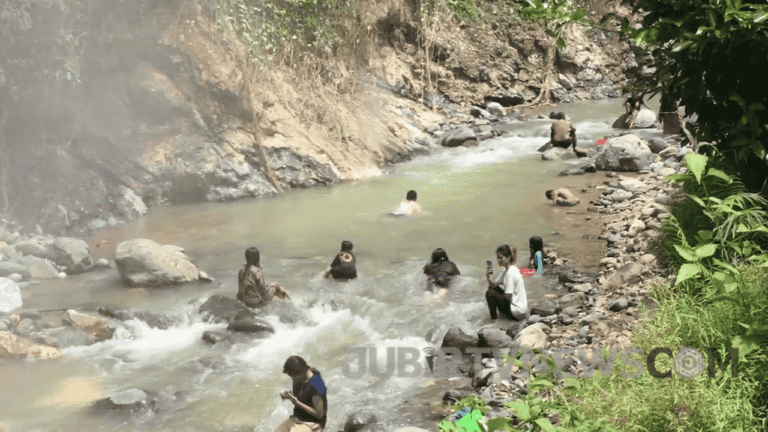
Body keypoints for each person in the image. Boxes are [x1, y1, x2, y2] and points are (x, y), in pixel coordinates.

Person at [276, 356, 327, 432]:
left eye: (293, 377)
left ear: (300, 372)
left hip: (312, 423)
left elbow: (319, 415)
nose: (292, 379)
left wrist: (296, 402)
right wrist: (288, 396)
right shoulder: (302, 375)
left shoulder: (316, 384)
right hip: (296, 418)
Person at [485, 244, 527, 321]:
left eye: (501, 258)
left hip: (518, 313)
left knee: (490, 293)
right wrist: (488, 276)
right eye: (497, 258)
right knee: (492, 289)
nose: (498, 260)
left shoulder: (510, 273)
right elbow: (493, 285)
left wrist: (497, 299)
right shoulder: (507, 270)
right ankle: (502, 316)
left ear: (508, 257)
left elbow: (508, 296)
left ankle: (494, 321)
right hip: (520, 310)